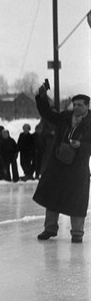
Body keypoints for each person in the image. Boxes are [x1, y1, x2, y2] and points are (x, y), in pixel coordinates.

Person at [33, 85, 91, 244]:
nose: (77, 107)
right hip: (59, 163)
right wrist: (42, 97)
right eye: (75, 104)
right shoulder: (65, 117)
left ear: (87, 106)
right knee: (53, 195)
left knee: (78, 200)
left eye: (80, 105)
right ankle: (50, 229)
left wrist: (81, 146)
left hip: (78, 167)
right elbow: (47, 114)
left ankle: (77, 233)